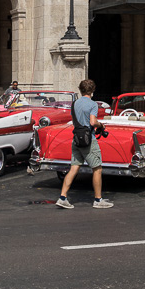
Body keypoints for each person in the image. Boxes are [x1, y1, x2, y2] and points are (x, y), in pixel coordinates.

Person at [55, 78, 111, 209]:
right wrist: (101, 125)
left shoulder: (74, 104)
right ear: (93, 90)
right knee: (97, 169)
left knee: (74, 168)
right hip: (89, 140)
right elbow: (92, 122)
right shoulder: (93, 104)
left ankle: (62, 197)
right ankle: (98, 199)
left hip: (76, 139)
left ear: (80, 90)